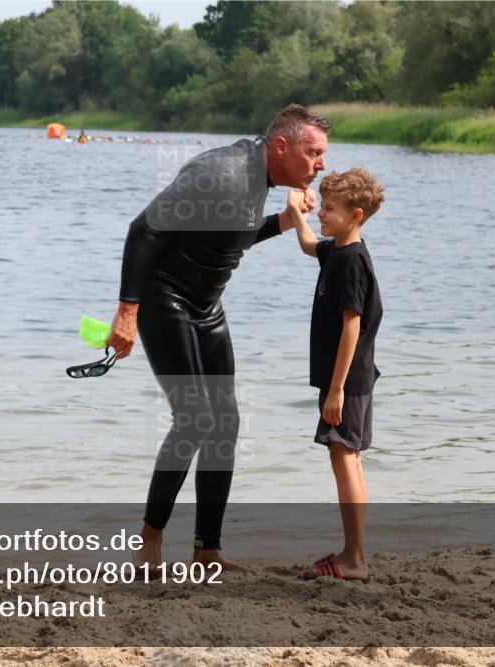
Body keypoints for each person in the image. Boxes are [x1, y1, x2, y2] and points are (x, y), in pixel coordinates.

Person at [107, 104, 330, 572]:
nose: (321, 164)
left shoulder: (259, 181)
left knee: (224, 425)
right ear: (282, 146)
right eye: (314, 153)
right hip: (165, 299)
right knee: (193, 419)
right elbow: (142, 231)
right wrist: (128, 311)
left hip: (207, 308)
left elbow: (231, 235)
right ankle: (150, 541)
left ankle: (207, 548)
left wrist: (283, 224)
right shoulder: (222, 172)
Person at [287, 169, 384, 581]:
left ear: (355, 214)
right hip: (349, 379)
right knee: (349, 458)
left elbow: (352, 326)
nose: (323, 214)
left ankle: (354, 559)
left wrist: (336, 389)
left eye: (330, 209)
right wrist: (297, 214)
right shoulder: (338, 251)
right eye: (322, 207)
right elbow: (311, 245)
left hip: (348, 380)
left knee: (344, 458)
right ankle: (354, 553)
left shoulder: (352, 262)